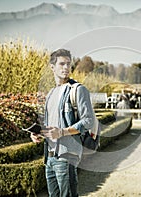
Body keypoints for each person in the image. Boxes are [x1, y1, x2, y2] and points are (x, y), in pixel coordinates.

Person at [30, 49, 95, 197]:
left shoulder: (78, 90)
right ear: (52, 67)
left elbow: (88, 120)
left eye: (68, 64)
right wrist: (39, 134)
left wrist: (62, 132)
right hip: (50, 157)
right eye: (62, 64)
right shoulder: (51, 94)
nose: (66, 67)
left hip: (67, 155)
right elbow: (49, 124)